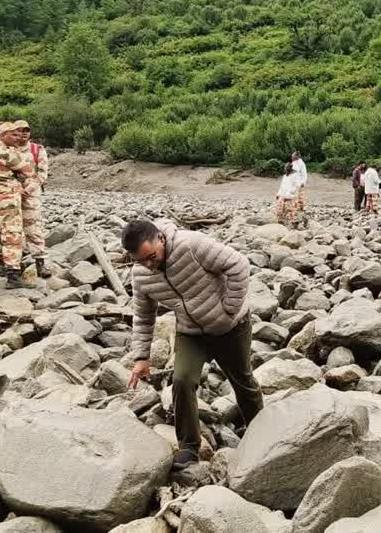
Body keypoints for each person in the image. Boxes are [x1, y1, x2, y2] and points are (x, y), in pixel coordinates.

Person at [122, 218, 263, 470]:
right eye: (140, 260)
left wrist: (229, 309)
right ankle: (189, 447)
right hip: (191, 332)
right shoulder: (141, 274)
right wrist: (141, 357)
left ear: (161, 239)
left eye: (151, 257)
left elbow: (238, 264)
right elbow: (143, 315)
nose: (148, 265)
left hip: (231, 327)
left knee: (243, 381)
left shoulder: (191, 245)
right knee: (182, 381)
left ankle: (260, 434)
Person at [0, 123, 35, 290]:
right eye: (13, 134)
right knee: (12, 235)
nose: (18, 137)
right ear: (2, 135)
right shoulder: (6, 152)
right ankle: (13, 275)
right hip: (8, 198)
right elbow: (27, 170)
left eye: (19, 134)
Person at [14, 121, 50, 278]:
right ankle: (14, 265)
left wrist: (29, 188)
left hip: (31, 195)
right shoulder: (7, 149)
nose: (23, 133)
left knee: (34, 228)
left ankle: (40, 264)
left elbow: (42, 174)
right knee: (11, 230)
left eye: (26, 130)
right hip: (10, 195)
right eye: (20, 130)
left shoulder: (37, 149)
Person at [274, 163, 299, 227]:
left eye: (286, 168)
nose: (285, 169)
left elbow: (296, 186)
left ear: (290, 168)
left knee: (290, 209)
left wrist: (290, 193)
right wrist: (278, 194)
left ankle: (293, 224)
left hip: (290, 196)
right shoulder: (285, 176)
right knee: (280, 209)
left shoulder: (295, 176)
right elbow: (282, 185)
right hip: (283, 194)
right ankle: (281, 222)